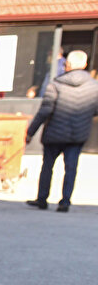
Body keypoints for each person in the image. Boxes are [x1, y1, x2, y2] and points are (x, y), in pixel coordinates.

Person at [24, 50, 98, 213]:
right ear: (85, 65)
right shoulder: (94, 87)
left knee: (47, 166)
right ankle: (65, 201)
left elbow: (44, 111)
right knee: (71, 168)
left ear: (68, 65)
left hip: (54, 133)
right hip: (77, 134)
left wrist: (30, 132)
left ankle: (42, 199)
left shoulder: (56, 84)